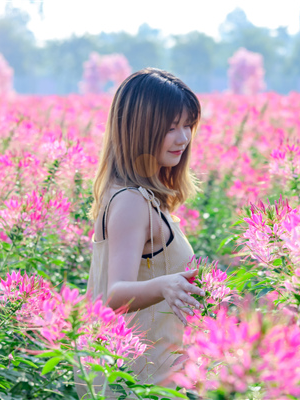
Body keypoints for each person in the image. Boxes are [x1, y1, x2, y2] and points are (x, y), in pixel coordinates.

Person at [74, 68, 206, 399]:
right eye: (171, 127)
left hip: (154, 379)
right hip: (141, 384)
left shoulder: (139, 197)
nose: (183, 138)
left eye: (188, 125)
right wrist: (165, 285)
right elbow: (113, 295)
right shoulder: (132, 202)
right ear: (140, 130)